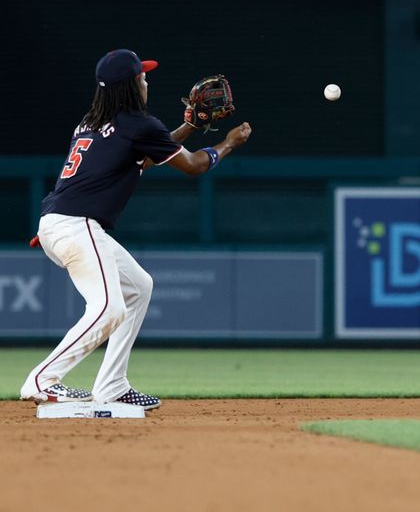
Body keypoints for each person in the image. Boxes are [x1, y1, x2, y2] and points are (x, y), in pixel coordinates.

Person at [20, 49, 252, 410]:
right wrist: (228, 144)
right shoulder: (138, 125)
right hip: (76, 225)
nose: (147, 80)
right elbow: (190, 165)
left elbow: (147, 155)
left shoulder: (92, 122)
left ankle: (111, 384)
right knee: (109, 307)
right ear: (130, 86)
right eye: (142, 76)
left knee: (138, 287)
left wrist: (190, 124)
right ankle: (42, 379)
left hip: (64, 223)